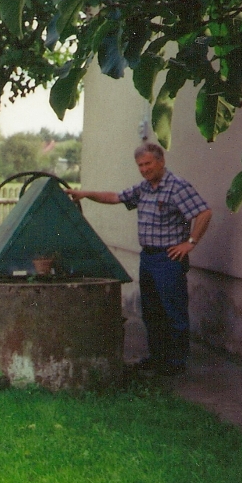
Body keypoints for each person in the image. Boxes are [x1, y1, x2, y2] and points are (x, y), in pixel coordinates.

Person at [65, 142, 212, 376]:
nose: (144, 169)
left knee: (172, 310)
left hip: (168, 259)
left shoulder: (177, 186)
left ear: (161, 161)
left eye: (148, 164)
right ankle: (157, 358)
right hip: (149, 258)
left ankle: (175, 363)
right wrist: (85, 194)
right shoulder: (144, 188)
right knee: (151, 311)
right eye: (140, 165)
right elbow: (115, 197)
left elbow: (203, 212)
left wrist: (190, 243)